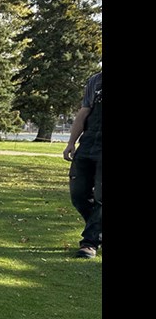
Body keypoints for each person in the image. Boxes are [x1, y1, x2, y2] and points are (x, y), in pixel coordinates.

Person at [63, 71, 102, 259]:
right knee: (78, 194)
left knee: (101, 197)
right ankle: (97, 230)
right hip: (88, 144)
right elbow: (84, 112)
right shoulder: (96, 80)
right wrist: (71, 142)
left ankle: (90, 243)